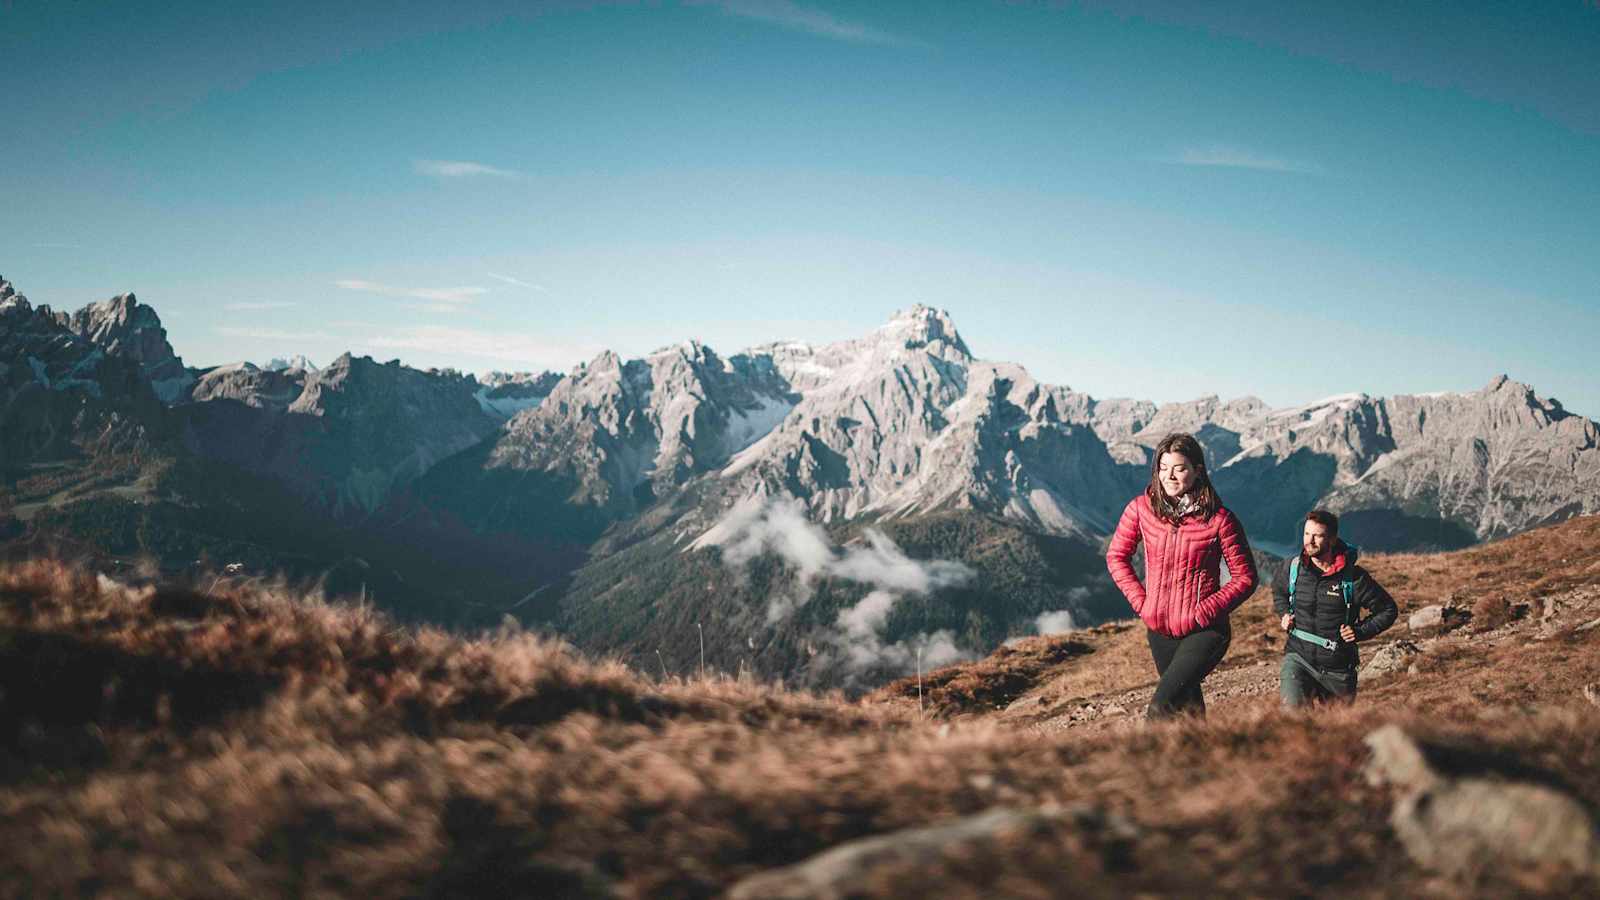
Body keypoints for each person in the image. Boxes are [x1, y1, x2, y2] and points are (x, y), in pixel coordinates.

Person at [1107, 432, 1258, 718]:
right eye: (1163, 468)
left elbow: (1245, 577)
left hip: (1204, 630)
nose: (1169, 476)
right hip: (1160, 630)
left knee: (1160, 708)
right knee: (1188, 709)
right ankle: (1203, 760)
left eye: (1179, 468)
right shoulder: (1141, 509)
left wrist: (1203, 612)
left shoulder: (1220, 519)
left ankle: (1147, 763)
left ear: (1197, 470)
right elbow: (1116, 556)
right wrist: (1143, 603)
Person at [1275, 509, 1398, 707]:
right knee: (1292, 717)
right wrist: (1284, 614)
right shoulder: (1293, 568)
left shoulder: (1354, 578)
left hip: (1338, 668)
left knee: (1334, 732)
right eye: (1307, 534)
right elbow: (1279, 591)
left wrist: (1360, 631)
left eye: (1317, 535)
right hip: (1298, 658)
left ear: (1332, 540)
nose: (1309, 541)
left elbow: (1388, 609)